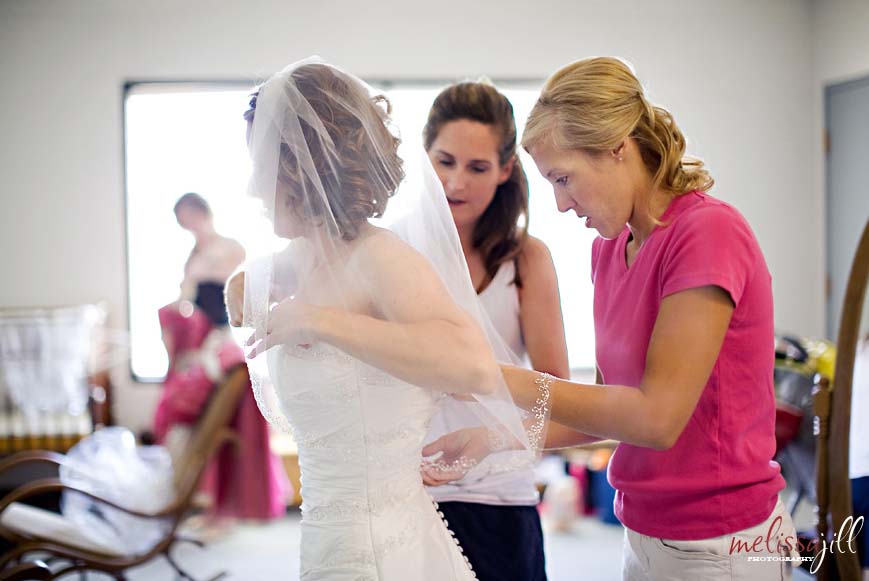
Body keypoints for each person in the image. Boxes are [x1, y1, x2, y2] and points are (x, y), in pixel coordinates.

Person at [426, 57, 799, 580]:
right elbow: (606, 408)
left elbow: (655, 420)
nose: (560, 204)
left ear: (617, 148)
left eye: (564, 178)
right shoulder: (610, 248)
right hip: (643, 531)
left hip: (719, 540)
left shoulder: (707, 233)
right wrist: (494, 436)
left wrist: (490, 377)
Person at [227, 59, 545, 580]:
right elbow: (246, 285)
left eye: (260, 166)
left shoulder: (382, 257)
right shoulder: (312, 257)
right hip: (328, 541)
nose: (252, 188)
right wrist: (239, 288)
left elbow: (474, 367)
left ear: (302, 168)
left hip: (383, 552)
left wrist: (318, 322)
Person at [420, 80, 568, 581]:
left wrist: (482, 397)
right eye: (444, 161)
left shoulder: (527, 259)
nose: (455, 183)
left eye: (477, 167)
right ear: (424, 155)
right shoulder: (390, 250)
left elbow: (556, 396)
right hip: (406, 491)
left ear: (505, 169)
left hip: (498, 497)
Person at [173, 192, 245, 325]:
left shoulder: (232, 247)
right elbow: (185, 296)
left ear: (203, 212)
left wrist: (205, 273)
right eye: (184, 220)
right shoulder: (192, 257)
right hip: (196, 322)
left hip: (222, 322)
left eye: (192, 215)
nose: (192, 224)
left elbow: (239, 283)